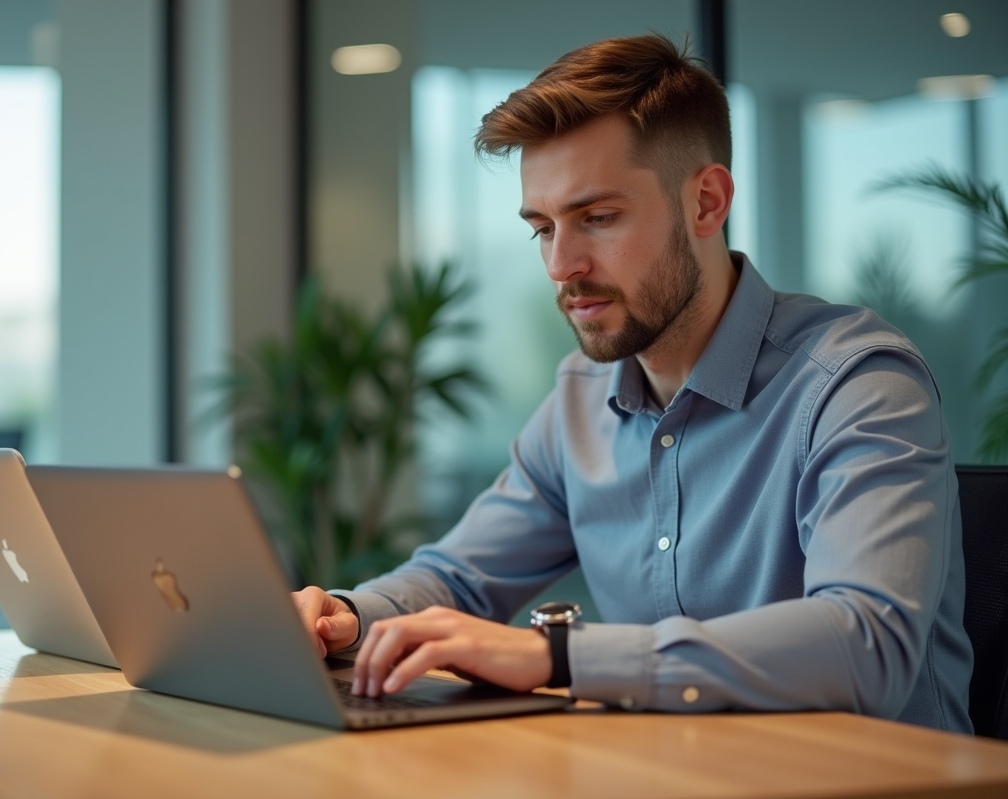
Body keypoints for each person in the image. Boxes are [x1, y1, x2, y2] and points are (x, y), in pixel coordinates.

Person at [292, 33, 973, 732]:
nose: (561, 265)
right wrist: (346, 616)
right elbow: (461, 578)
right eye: (543, 228)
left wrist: (559, 657)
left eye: (597, 218)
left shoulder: (856, 385)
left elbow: (869, 646)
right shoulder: (580, 400)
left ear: (707, 203)